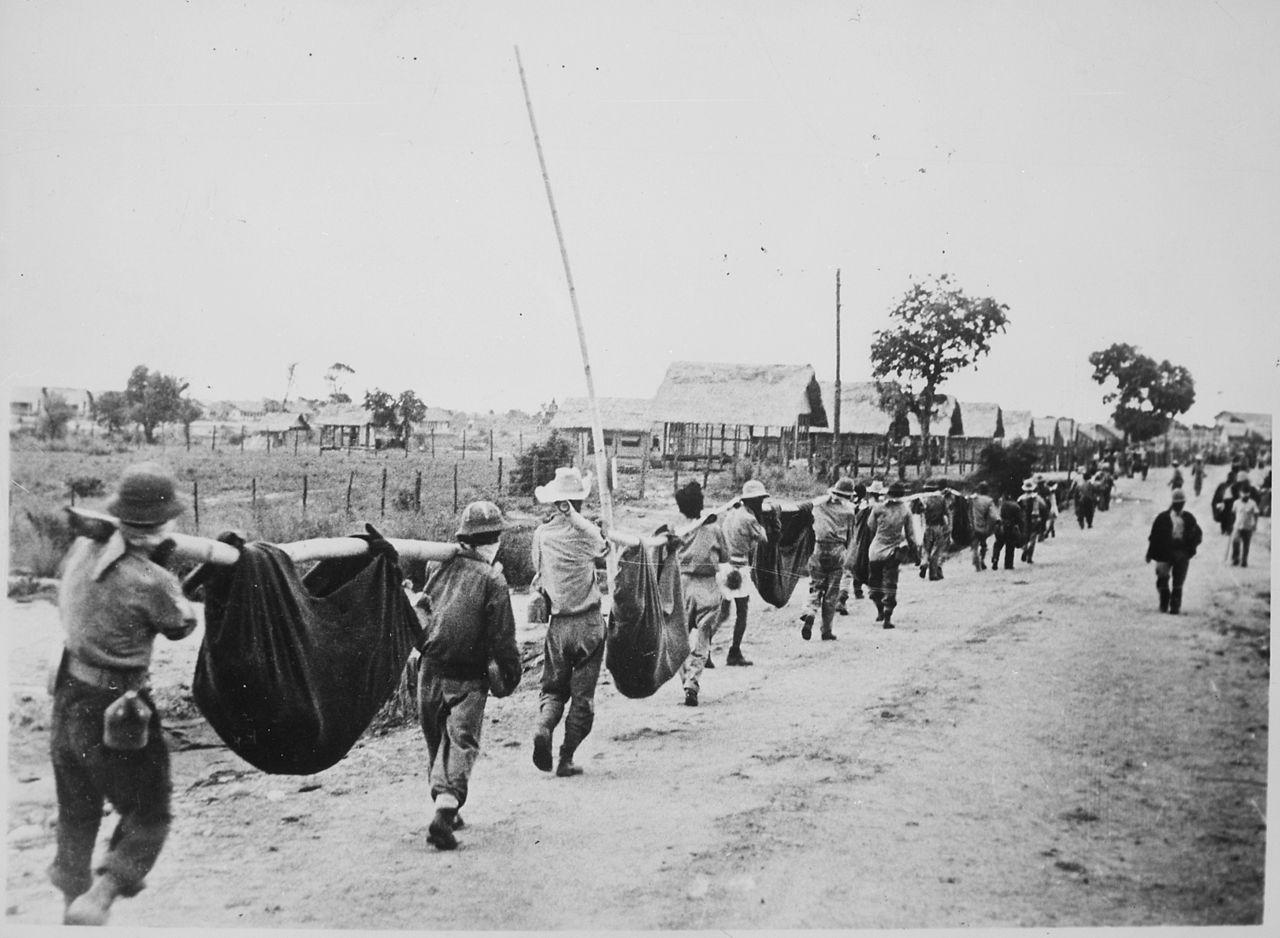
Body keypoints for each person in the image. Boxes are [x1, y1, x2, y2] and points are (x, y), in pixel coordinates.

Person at [50, 462, 198, 926]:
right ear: (163, 521)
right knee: (149, 813)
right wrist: (164, 569)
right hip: (118, 709)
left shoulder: (81, 547)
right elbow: (180, 624)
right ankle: (102, 894)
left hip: (68, 695)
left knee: (77, 810)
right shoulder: (152, 580)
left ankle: (70, 901)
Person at [415, 501, 522, 850]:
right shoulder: (493, 579)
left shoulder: (436, 563)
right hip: (467, 677)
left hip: (428, 671)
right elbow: (502, 637)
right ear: (492, 541)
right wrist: (510, 672)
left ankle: (445, 805)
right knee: (460, 741)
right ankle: (444, 816)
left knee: (436, 740)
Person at [529, 467, 608, 778]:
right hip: (588, 622)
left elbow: (537, 571)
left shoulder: (542, 535)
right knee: (582, 697)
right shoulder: (586, 534)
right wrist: (578, 519)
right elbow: (602, 546)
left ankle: (543, 726)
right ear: (580, 503)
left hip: (558, 624)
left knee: (553, 688)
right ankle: (566, 757)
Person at [671, 481, 730, 707]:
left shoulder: (676, 530)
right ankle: (693, 681)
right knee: (703, 636)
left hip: (681, 585)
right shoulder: (713, 529)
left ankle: (687, 678)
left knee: (680, 638)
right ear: (701, 504)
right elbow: (725, 557)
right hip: (707, 585)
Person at [717, 479, 774, 666]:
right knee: (742, 611)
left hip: (724, 566)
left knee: (722, 612)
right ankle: (734, 651)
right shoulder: (750, 518)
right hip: (739, 566)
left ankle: (705, 648)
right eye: (758, 500)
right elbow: (764, 539)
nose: (760, 503)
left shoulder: (731, 513)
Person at [800, 477, 858, 641]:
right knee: (832, 592)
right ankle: (826, 630)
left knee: (815, 585)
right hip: (837, 550)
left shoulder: (819, 506)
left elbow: (807, 507)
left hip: (818, 548)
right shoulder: (849, 511)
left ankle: (810, 611)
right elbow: (851, 537)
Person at [864, 481, 919, 630]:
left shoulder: (878, 508)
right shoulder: (905, 510)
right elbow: (911, 535)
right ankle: (887, 616)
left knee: (874, 582)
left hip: (875, 551)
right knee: (890, 583)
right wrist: (916, 554)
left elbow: (871, 526)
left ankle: (880, 611)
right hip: (893, 552)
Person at [1145, 489, 1203, 614]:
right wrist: (1149, 553)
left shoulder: (1188, 518)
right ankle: (1164, 600)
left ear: (1184, 504)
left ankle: (1175, 606)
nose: (1179, 506)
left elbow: (1198, 534)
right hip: (1164, 552)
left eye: (1181, 503)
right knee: (1162, 578)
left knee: (1178, 581)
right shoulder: (1162, 518)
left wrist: (1190, 549)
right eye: (1176, 503)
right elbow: (1154, 536)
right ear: (1172, 503)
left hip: (1181, 552)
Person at [837, 481, 876, 613]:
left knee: (847, 570)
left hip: (847, 539)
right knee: (860, 565)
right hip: (862, 540)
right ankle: (854, 592)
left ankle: (843, 596)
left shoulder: (849, 507)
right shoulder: (868, 507)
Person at [914, 482, 952, 581]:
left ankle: (924, 563)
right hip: (939, 527)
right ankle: (933, 574)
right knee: (936, 550)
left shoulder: (924, 500)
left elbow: (918, 512)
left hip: (928, 527)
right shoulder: (941, 499)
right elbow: (947, 513)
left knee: (926, 548)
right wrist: (949, 525)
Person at [968, 481, 1000, 571]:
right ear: (987, 490)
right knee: (983, 544)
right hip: (984, 527)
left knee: (974, 546)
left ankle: (976, 562)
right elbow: (994, 515)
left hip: (973, 525)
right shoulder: (989, 501)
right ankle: (982, 559)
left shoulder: (973, 498)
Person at [1016, 479, 1049, 564]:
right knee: (1033, 538)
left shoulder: (1020, 498)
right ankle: (1029, 557)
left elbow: (1017, 509)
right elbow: (1044, 506)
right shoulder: (1037, 498)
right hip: (1035, 519)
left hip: (1024, 521)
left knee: (1025, 538)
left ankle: (1025, 549)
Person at [991, 490, 1024, 571]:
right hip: (1010, 528)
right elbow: (1020, 520)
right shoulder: (1016, 506)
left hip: (1000, 527)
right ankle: (1008, 565)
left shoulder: (1002, 505)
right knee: (1010, 546)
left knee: (998, 544)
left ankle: (995, 559)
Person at [1231, 486, 1259, 568]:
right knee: (1235, 542)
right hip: (1237, 526)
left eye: (1247, 493)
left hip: (1248, 527)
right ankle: (1235, 559)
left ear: (1249, 494)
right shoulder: (1236, 503)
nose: (1245, 495)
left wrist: (1255, 524)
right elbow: (1233, 513)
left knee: (1246, 545)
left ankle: (1244, 561)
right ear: (1240, 493)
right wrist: (1232, 524)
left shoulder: (1252, 503)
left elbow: (1256, 513)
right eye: (1243, 493)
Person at [1211, 468, 1239, 536]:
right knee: (1228, 517)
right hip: (1225, 505)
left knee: (1228, 517)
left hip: (1229, 506)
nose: (1233, 480)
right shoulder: (1223, 486)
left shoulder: (1226, 486)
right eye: (1232, 478)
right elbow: (1216, 498)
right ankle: (1226, 530)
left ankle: (1226, 530)